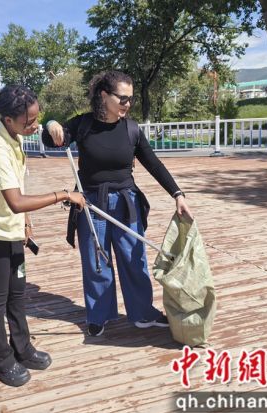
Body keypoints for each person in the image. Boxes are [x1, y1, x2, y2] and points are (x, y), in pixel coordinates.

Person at [42, 70, 194, 337]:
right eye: (122, 98)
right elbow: (55, 138)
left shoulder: (132, 129)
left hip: (126, 203)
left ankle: (142, 313)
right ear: (104, 96)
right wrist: (52, 124)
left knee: (134, 259)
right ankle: (99, 315)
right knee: (96, 261)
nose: (127, 104)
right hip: (90, 204)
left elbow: (153, 163)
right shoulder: (84, 124)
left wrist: (177, 194)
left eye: (130, 99)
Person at [0, 85, 86, 387]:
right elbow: (15, 200)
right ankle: (1, 359)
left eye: (37, 117)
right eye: (29, 121)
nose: (35, 125)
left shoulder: (15, 135)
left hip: (11, 227)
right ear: (7, 119)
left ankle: (23, 347)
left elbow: (18, 194)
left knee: (17, 292)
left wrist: (26, 224)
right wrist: (64, 195)